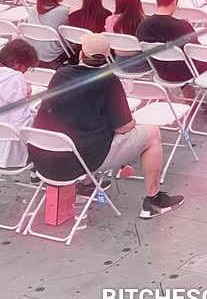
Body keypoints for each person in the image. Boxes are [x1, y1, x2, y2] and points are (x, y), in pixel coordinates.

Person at [29, 33, 183, 217]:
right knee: (152, 133)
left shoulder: (60, 74)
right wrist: (133, 121)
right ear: (107, 57)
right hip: (79, 162)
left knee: (79, 130)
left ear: (81, 54)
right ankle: (154, 201)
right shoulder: (109, 80)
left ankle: (86, 186)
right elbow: (123, 127)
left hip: (44, 161)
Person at [137, 0, 198, 87]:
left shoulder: (143, 25)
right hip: (186, 72)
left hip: (160, 71)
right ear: (174, 1)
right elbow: (195, 51)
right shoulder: (182, 26)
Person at [0, 37, 37, 169]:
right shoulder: (16, 78)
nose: (25, 71)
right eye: (26, 67)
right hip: (8, 152)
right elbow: (21, 123)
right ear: (16, 63)